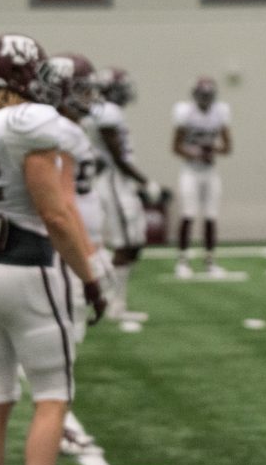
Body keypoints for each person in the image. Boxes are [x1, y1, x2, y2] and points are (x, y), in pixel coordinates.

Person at [0, 34, 109, 465]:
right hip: (27, 269)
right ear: (25, 74)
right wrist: (89, 279)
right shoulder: (30, 121)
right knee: (52, 398)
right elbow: (56, 215)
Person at [37, 52, 110, 455]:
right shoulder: (58, 131)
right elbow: (63, 201)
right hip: (67, 251)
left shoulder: (67, 129)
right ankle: (60, 424)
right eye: (82, 88)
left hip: (80, 245)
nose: (90, 96)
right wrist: (86, 254)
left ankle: (60, 419)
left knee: (69, 340)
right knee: (63, 341)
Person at [84, 66, 163, 323]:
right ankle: (113, 303)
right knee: (125, 243)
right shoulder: (107, 112)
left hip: (119, 182)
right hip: (114, 182)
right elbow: (117, 157)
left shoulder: (106, 112)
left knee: (135, 242)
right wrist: (145, 181)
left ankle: (113, 298)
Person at [172, 76, 232, 278]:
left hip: (209, 171)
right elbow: (175, 147)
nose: (205, 99)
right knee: (188, 214)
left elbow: (227, 147)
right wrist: (195, 152)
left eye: (208, 95)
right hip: (190, 170)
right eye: (202, 95)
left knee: (211, 215)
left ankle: (210, 261)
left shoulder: (220, 112)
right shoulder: (185, 112)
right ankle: (182, 260)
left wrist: (212, 149)